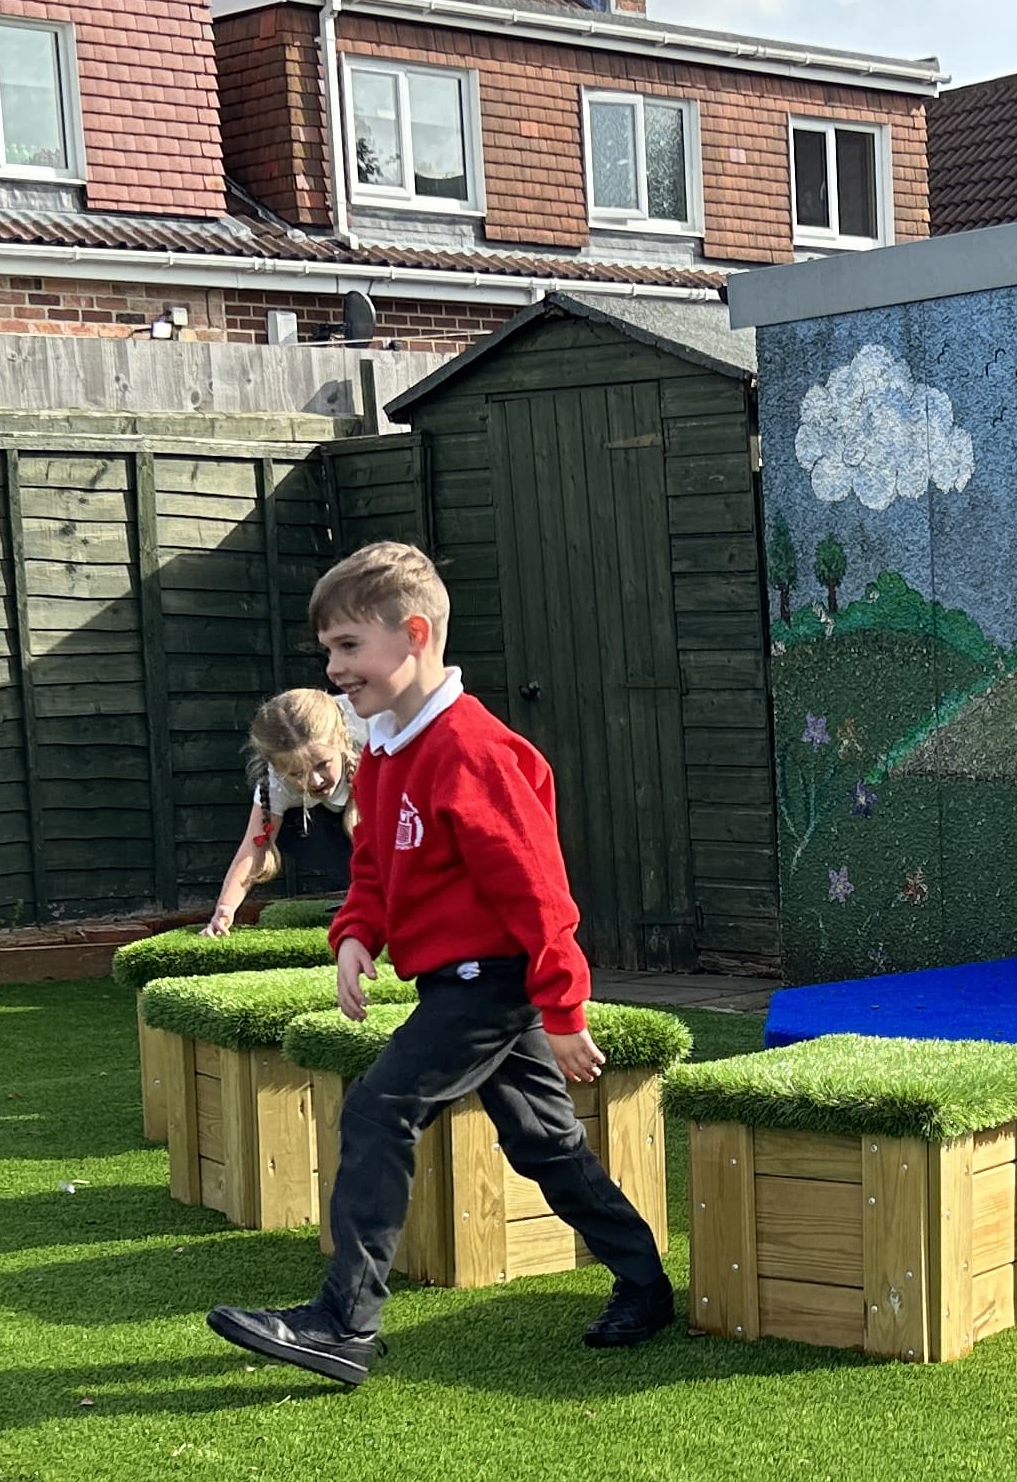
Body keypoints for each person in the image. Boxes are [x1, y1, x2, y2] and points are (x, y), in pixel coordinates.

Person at [205, 542, 677, 1388]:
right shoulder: (385, 752)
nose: (333, 668)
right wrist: (355, 934)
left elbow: (541, 895)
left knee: (378, 1110)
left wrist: (565, 1013)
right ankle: (645, 1283)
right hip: (455, 980)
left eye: (348, 647)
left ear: (413, 634)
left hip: (488, 983)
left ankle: (344, 1324)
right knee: (546, 1144)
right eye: (328, 651)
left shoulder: (474, 751)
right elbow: (379, 867)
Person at [198, 688, 357, 936]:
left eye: (322, 765)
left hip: (397, 810)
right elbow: (254, 847)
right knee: (278, 825)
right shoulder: (276, 784)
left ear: (341, 740)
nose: (314, 781)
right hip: (329, 827)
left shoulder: (377, 729)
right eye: (297, 774)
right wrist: (225, 909)